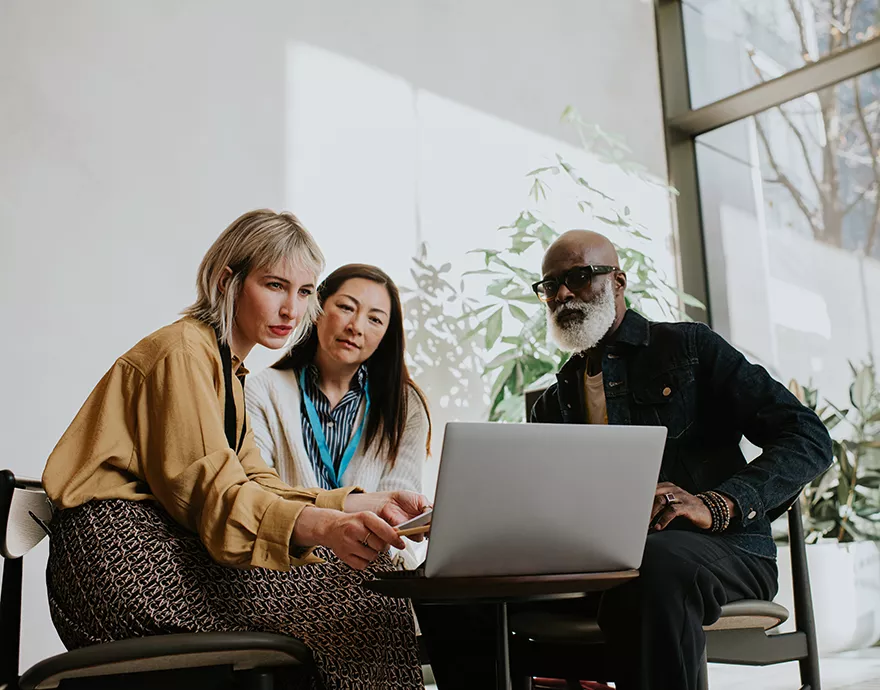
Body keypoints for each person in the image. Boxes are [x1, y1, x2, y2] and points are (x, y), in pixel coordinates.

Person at [417, 230, 832, 690]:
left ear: (619, 280)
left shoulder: (689, 349)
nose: (563, 293)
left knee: (652, 566)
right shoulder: (553, 403)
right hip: (599, 570)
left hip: (719, 554)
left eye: (579, 276)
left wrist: (718, 504)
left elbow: (808, 437)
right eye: (549, 286)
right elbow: (545, 506)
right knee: (445, 587)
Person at [42, 209, 428, 690]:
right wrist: (328, 527)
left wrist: (365, 503)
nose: (292, 309)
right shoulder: (183, 352)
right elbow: (218, 498)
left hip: (159, 547)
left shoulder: (226, 368)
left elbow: (257, 484)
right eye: (274, 286)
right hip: (117, 561)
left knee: (360, 590)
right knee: (360, 602)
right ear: (228, 281)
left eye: (305, 292)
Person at [246, 264, 431, 570]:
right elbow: (259, 495)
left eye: (375, 319)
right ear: (317, 308)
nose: (356, 326)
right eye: (346, 307)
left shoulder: (405, 405)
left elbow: (400, 521)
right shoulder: (262, 391)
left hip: (373, 569)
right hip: (286, 566)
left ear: (386, 333)